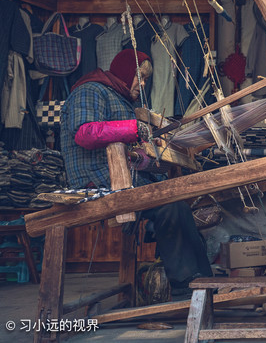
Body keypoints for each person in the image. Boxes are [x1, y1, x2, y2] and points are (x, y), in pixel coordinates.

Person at [60, 48, 212, 298]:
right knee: (169, 206)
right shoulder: (90, 90)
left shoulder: (120, 99)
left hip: (123, 179)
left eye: (145, 80)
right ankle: (186, 284)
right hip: (95, 180)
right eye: (138, 77)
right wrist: (133, 128)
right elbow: (85, 133)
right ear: (123, 72)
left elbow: (128, 148)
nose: (142, 84)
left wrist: (145, 156)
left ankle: (203, 280)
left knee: (177, 203)